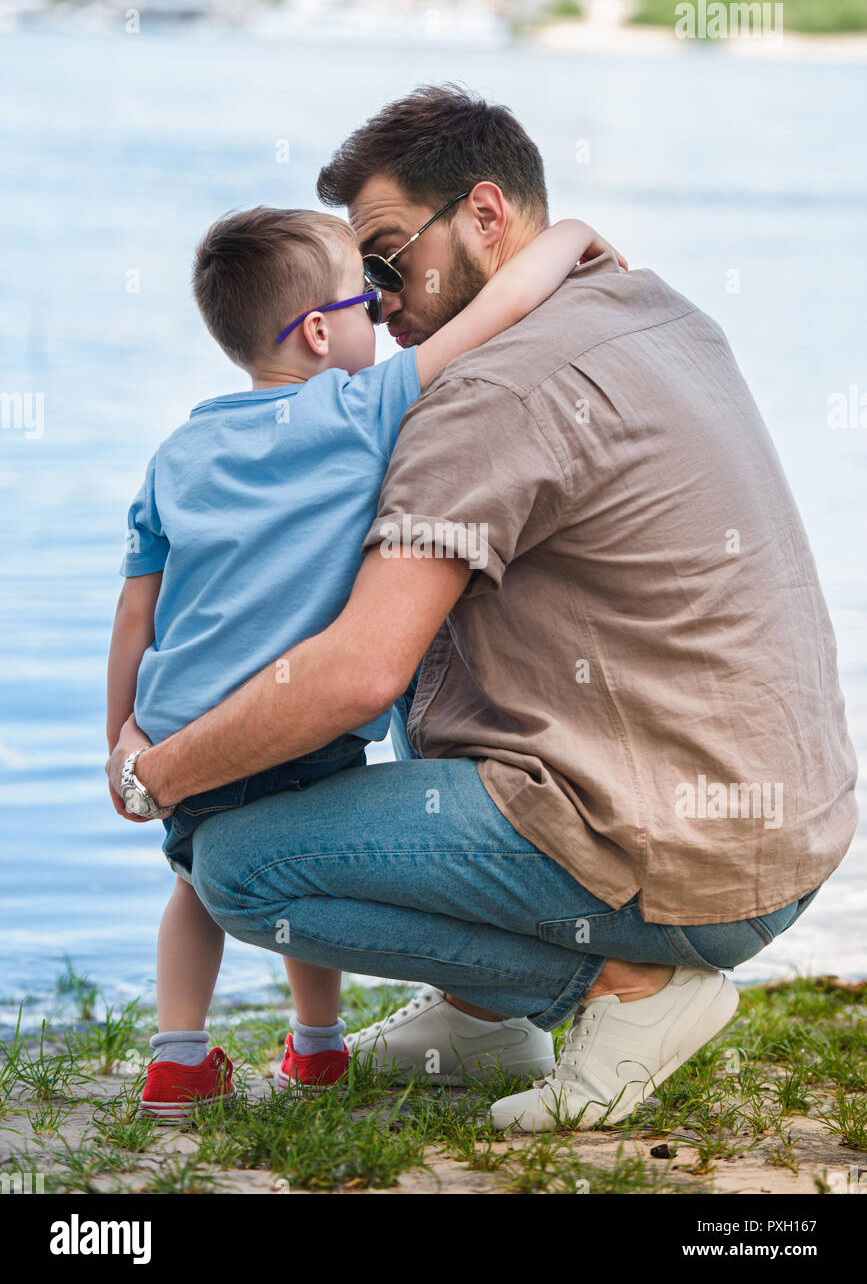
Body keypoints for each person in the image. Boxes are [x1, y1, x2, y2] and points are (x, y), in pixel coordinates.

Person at [109, 86, 858, 1134]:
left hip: (679, 858)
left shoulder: (485, 395)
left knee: (236, 865)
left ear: (487, 215)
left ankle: (625, 994)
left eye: (385, 258)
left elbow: (360, 673)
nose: (379, 295)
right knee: (412, 606)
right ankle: (480, 1013)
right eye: (359, 276)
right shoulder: (656, 310)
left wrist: (156, 773)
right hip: (776, 825)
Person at [106, 201, 616, 1118]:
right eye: (365, 300)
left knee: (192, 888)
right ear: (316, 330)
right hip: (296, 721)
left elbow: (134, 609)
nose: (381, 315)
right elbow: (492, 316)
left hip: (180, 728)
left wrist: (123, 742)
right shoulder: (361, 408)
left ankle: (177, 1059)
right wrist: (570, 237)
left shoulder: (175, 455)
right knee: (306, 871)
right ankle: (317, 1048)